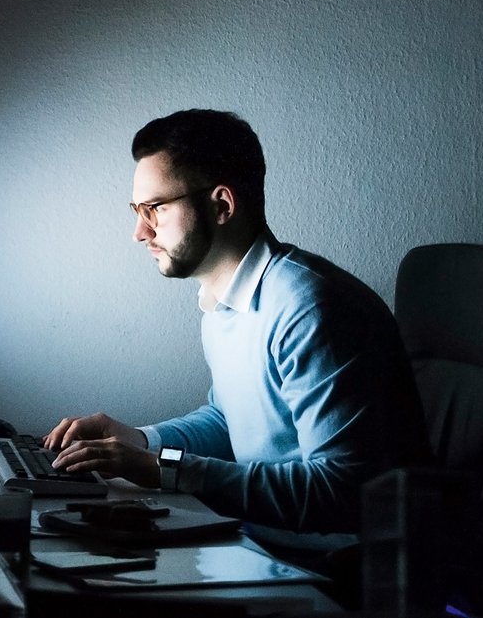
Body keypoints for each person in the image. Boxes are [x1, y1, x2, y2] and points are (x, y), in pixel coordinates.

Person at [44, 109, 429, 533]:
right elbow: (230, 421)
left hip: (326, 569)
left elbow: (342, 491)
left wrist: (161, 468)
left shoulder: (310, 309)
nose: (140, 232)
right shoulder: (222, 302)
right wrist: (139, 440)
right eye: (137, 209)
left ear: (222, 205)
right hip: (268, 544)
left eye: (154, 209)